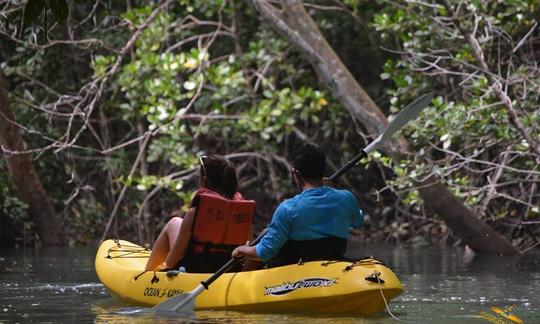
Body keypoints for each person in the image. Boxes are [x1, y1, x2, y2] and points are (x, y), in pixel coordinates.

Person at [232, 144, 364, 267]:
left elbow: (264, 252)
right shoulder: (346, 198)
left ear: (296, 174)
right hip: (333, 263)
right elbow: (358, 221)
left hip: (297, 270)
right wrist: (333, 191)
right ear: (323, 171)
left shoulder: (287, 209)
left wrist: (243, 249)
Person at [145, 155, 255, 272]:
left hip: (195, 270)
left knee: (174, 222)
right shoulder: (242, 213)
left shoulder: (195, 213)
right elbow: (250, 250)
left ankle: (145, 276)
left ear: (204, 180)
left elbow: (171, 262)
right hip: (229, 269)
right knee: (177, 223)